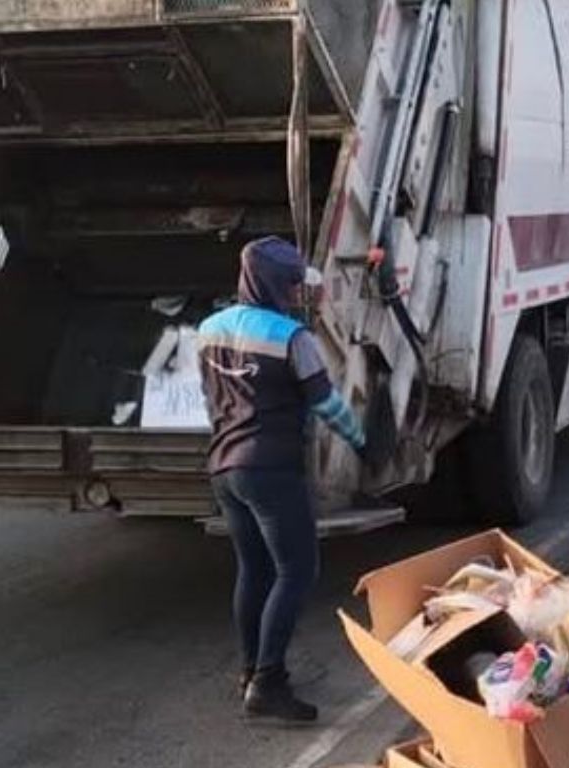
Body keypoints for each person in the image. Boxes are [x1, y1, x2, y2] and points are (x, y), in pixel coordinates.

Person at [198, 237, 366, 723]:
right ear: (274, 283)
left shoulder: (208, 330)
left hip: (224, 468)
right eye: (292, 283)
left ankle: (250, 670)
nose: (297, 292)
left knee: (253, 570)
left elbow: (213, 395)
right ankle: (269, 683)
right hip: (271, 469)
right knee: (297, 570)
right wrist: (363, 442)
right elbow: (327, 405)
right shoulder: (293, 338)